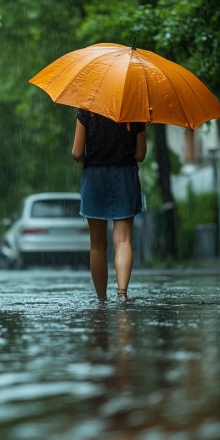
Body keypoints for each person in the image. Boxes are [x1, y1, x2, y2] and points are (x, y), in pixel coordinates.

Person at [71, 108, 147, 301]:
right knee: (123, 241)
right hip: (125, 177)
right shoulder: (135, 111)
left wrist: (82, 158)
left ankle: (102, 298)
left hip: (95, 176)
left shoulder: (86, 112)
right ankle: (122, 293)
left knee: (97, 245)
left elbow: (77, 151)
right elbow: (140, 155)